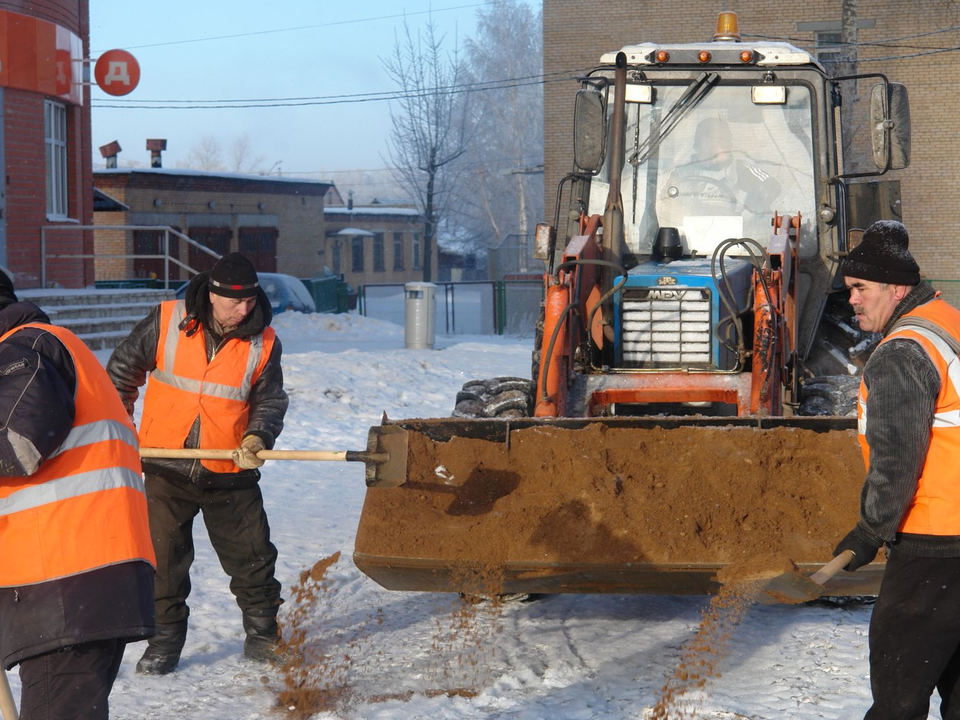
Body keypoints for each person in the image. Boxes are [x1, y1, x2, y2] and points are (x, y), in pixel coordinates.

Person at [106, 252, 289, 675]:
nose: (243, 311)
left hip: (230, 469)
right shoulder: (168, 320)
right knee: (163, 565)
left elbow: (270, 400)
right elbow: (121, 372)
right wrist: (123, 433)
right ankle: (163, 645)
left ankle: (263, 636)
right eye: (233, 302)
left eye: (249, 301)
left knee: (253, 559)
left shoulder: (263, 341)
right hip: (164, 467)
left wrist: (257, 436)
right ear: (212, 295)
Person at [0, 270, 156, 718]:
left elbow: (19, 445)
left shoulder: (27, 348)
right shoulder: (35, 350)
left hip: (68, 584)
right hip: (79, 580)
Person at [832, 220, 960, 719]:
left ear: (896, 288)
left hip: (933, 549)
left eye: (861, 288)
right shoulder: (946, 321)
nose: (853, 301)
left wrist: (869, 532)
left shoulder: (903, 352)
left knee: (898, 701)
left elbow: (896, 459)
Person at [665, 116, 781, 215]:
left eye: (729, 139)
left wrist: (752, 206)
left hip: (732, 237)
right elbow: (665, 204)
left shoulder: (741, 169)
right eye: (722, 139)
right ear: (704, 142)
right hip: (690, 236)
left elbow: (772, 186)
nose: (729, 144)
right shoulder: (681, 173)